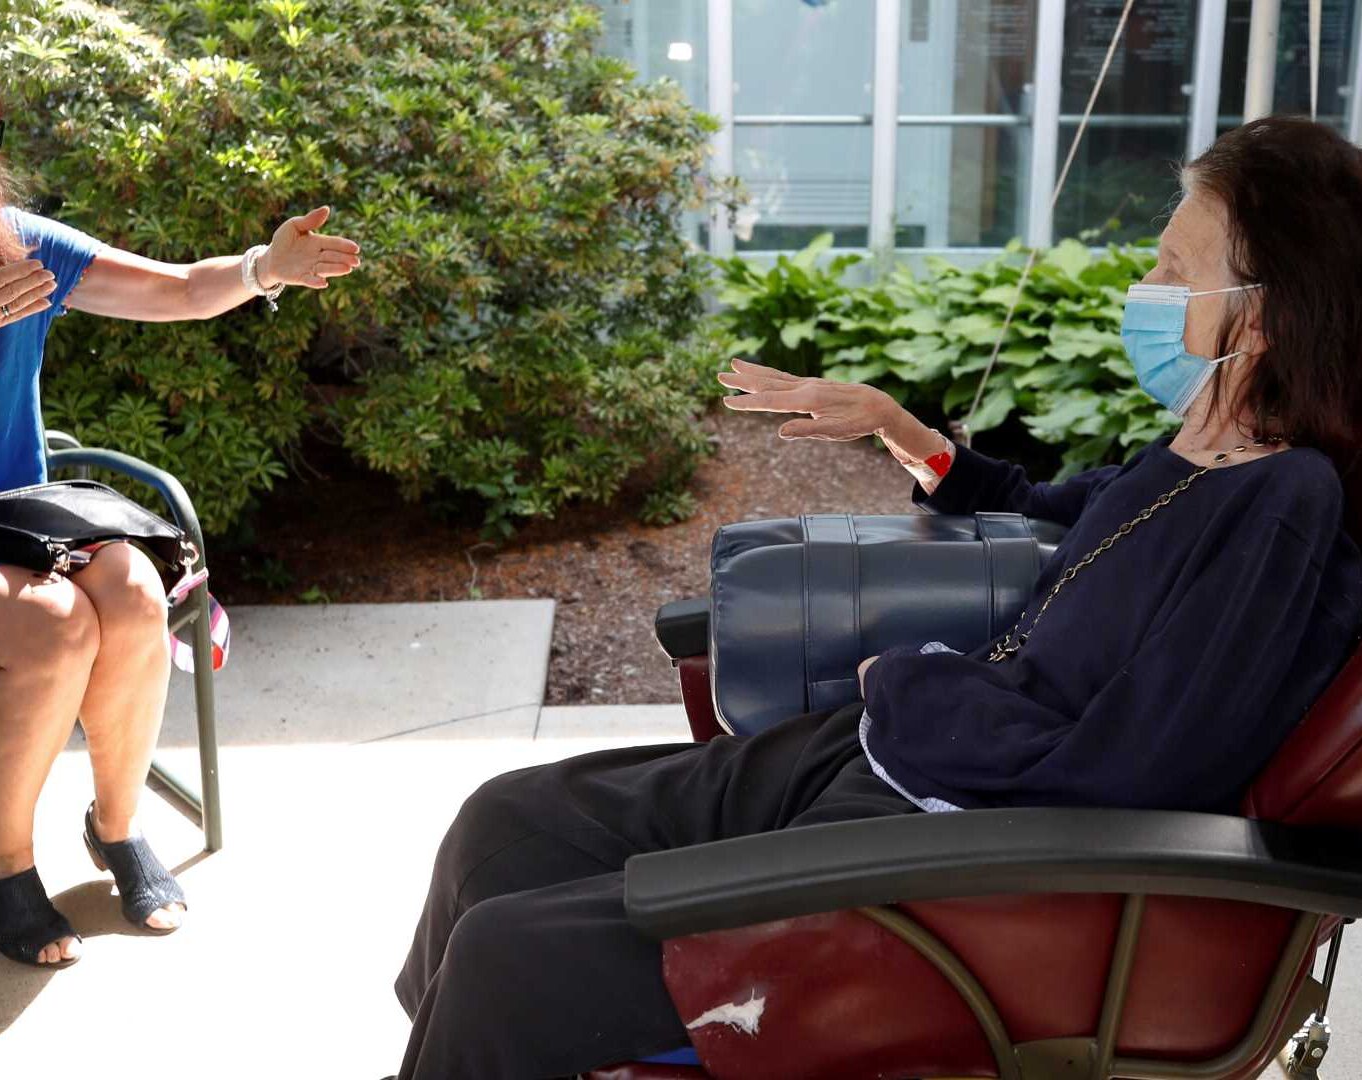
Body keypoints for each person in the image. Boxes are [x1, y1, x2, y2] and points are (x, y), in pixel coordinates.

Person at [391, 115, 1362, 1077]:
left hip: (957, 848)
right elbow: (1045, 507)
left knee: (502, 963)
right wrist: (894, 424)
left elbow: (1134, 770)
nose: (1143, 287)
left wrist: (912, 681)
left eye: (1173, 269)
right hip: (889, 756)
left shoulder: (1285, 507)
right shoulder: (1199, 453)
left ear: (1261, 317)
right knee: (498, 828)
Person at [0, 39, 361, 968]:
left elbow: (179, 290)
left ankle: (115, 827)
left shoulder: (21, 248)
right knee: (52, 625)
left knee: (136, 590)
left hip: (8, 527)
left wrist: (262, 268)